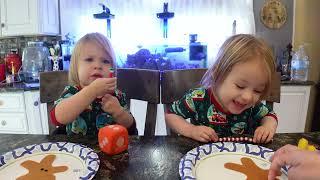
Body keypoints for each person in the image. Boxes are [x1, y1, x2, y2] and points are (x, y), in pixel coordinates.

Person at [165, 34, 278, 143]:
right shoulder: (198, 98)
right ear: (216, 74)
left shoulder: (252, 106)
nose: (248, 97)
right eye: (240, 86)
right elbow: (171, 115)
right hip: (204, 159)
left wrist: (267, 127)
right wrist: (191, 130)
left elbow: (270, 115)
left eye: (257, 91)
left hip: (241, 158)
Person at [50, 32, 137, 135]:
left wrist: (119, 112)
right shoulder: (72, 92)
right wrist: (92, 91)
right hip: (76, 149)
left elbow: (131, 128)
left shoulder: (116, 96)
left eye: (105, 61)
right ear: (76, 67)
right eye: (89, 59)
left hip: (109, 150)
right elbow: (57, 118)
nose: (98, 65)